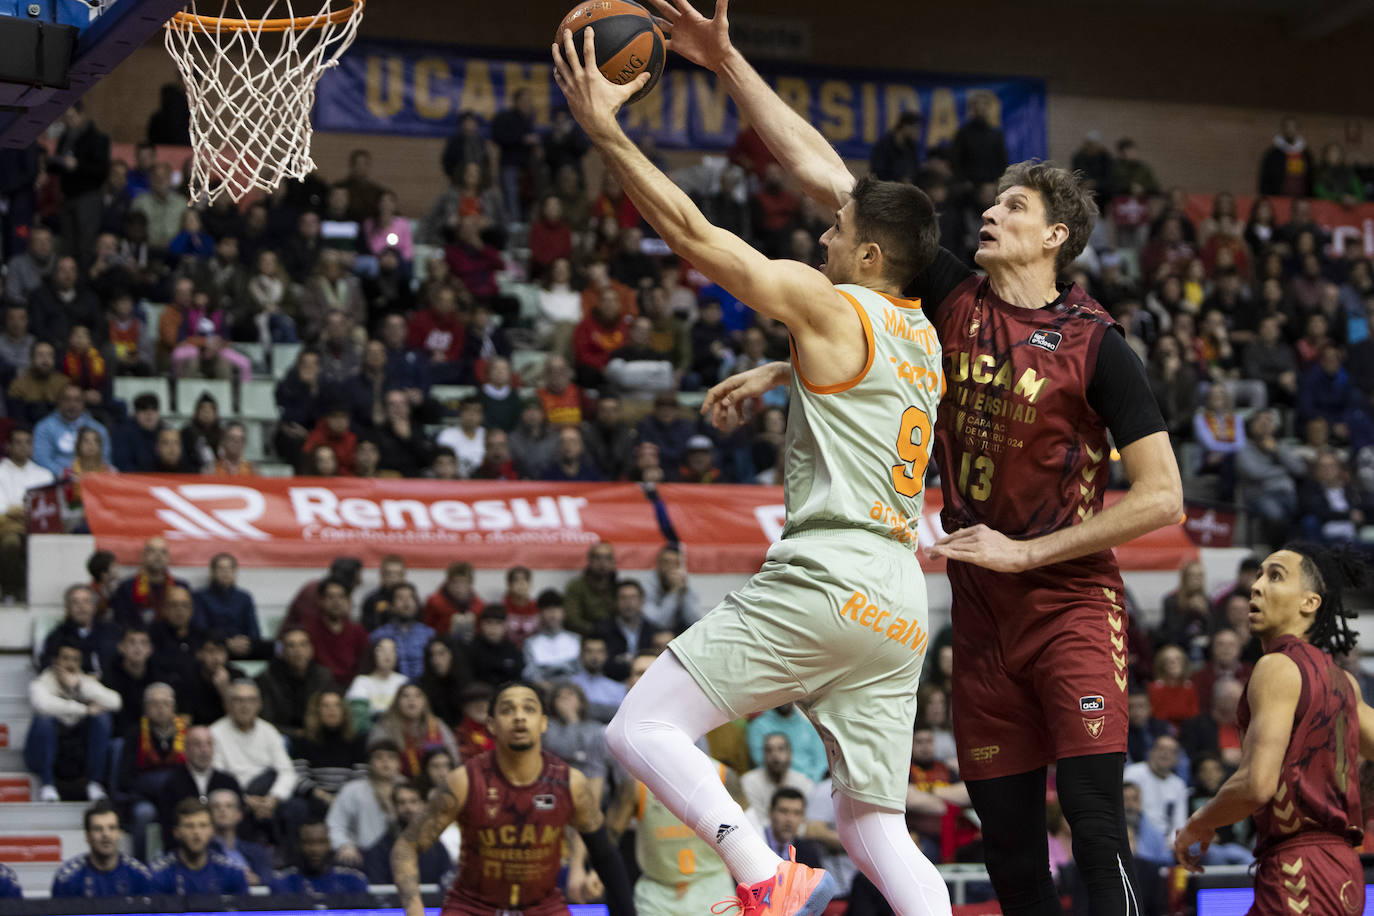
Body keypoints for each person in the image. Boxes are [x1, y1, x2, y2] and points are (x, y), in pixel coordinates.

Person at [678, 6, 1182, 910]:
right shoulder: (952, 294)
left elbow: (1163, 498)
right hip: (979, 612)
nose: (989, 212)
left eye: (1012, 207)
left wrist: (1028, 552)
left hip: (1069, 601)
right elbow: (833, 182)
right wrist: (727, 63)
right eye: (991, 203)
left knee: (1095, 820)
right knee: (1012, 847)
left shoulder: (1100, 347)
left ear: (1056, 235)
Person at [555, 24, 949, 916]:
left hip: (829, 572)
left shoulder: (832, 300)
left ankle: (760, 873)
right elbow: (826, 172)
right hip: (900, 593)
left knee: (641, 725)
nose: (822, 233)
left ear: (870, 258)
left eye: (837, 230)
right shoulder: (923, 331)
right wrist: (786, 370)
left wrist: (605, 130)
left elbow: (697, 237)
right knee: (871, 826)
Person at [1176, 544, 1371, 916]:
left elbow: (1256, 784)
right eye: (1260, 574)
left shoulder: (1277, 667)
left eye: (1276, 576)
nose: (1256, 585)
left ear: (1309, 603)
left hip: (1300, 870)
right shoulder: (1344, 682)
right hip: (1343, 870)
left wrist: (1199, 823)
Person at [390, 681, 636, 916]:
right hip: (472, 907)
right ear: (491, 724)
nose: (519, 716)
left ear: (543, 723)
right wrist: (415, 911)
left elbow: (605, 855)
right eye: (507, 710)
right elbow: (406, 846)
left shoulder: (570, 783)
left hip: (542, 908)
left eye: (529, 708)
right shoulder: (463, 781)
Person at [607, 752, 740, 916]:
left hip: (712, 886)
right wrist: (589, 871)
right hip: (657, 891)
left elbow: (750, 827)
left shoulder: (722, 775)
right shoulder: (637, 782)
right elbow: (609, 834)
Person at [27, 637, 120, 802]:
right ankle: (47, 784)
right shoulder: (41, 683)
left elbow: (115, 702)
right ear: (55, 661)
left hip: (77, 754)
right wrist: (84, 710)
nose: (70, 664)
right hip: (43, 754)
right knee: (44, 721)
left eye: (75, 659)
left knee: (102, 718)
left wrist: (79, 686)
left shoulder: (83, 682)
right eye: (65, 658)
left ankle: (95, 783)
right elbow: (43, 705)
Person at [51, 799, 153, 898]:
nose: (106, 834)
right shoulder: (67, 879)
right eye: (98, 829)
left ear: (119, 834)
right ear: (87, 836)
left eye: (112, 828)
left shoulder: (139, 876)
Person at [156, 725, 242, 841]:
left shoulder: (228, 782)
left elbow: (241, 823)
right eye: (197, 744)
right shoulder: (172, 783)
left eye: (208, 744)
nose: (204, 750)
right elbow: (168, 826)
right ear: (185, 749)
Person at [326, 740, 403, 868]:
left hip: (402, 854)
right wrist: (344, 845)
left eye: (391, 757)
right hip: (364, 854)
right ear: (369, 763)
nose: (385, 762)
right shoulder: (353, 790)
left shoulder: (409, 789)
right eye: (379, 757)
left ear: (399, 763)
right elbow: (335, 824)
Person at [150, 798, 250, 895]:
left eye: (203, 825)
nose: (196, 832)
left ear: (212, 831)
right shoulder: (159, 874)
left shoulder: (232, 873)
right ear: (177, 832)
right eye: (189, 826)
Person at [0, 426, 53, 602]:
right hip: (6, 529)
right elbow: (3, 509)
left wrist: (17, 511)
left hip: (37, 528)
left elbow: (46, 510)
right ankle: (11, 591)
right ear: (8, 446)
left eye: (27, 442)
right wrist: (23, 512)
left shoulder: (44, 474)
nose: (23, 447)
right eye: (18, 442)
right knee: (11, 543)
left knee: (48, 542)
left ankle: (43, 594)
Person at [257, 628, 338, 741]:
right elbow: (265, 721)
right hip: (280, 736)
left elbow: (332, 712)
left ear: (311, 649)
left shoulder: (323, 676)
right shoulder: (267, 678)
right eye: (291, 645)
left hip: (317, 736)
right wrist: (295, 733)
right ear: (283, 651)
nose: (298, 650)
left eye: (303, 645)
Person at [369, 683, 460, 780]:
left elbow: (454, 757)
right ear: (397, 702)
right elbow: (376, 762)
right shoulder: (385, 726)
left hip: (435, 781)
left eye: (418, 696)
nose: (411, 700)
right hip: (396, 783)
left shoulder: (437, 725)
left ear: (425, 702)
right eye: (405, 696)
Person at [364, 782, 450, 884]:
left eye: (413, 801)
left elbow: (447, 881)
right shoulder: (379, 850)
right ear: (394, 807)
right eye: (402, 802)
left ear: (423, 805)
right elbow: (378, 892)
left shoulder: (437, 847)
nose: (408, 808)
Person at [192, 554, 264, 660]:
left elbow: (254, 631)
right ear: (212, 572)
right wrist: (226, 642)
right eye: (221, 568)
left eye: (230, 568)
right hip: (213, 648)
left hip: (243, 648)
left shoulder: (245, 597)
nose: (226, 572)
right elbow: (201, 629)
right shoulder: (200, 597)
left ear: (235, 572)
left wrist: (245, 642)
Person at [301, 578, 370, 686]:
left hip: (352, 689)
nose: (336, 602)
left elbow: (365, 665)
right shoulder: (309, 630)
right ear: (321, 601)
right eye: (330, 597)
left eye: (341, 597)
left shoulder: (358, 632)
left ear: (349, 601)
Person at [271, 820, 370, 894]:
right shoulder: (282, 883)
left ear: (330, 844)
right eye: (308, 842)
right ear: (298, 845)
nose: (315, 849)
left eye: (321, 842)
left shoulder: (353, 881)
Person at [1122, 734, 1187, 845]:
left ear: (1177, 759)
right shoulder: (1133, 773)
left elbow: (1179, 823)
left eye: (1171, 751)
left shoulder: (1178, 785)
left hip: (1164, 840)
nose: (1165, 754)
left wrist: (1172, 842)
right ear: (1151, 752)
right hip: (1135, 834)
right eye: (1161, 749)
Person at [741, 733, 815, 827]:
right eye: (769, 750)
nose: (775, 755)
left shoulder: (804, 782)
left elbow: (809, 821)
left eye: (781, 749)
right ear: (763, 755)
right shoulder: (749, 781)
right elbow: (755, 822)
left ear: (790, 753)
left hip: (798, 840)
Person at [746, 704, 828, 785]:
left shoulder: (808, 726)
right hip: (775, 785)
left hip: (812, 783)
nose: (784, 701)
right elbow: (761, 761)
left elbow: (822, 762)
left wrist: (809, 783)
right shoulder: (759, 726)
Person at [208, 789, 274, 886]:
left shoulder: (256, 851)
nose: (222, 810)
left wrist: (257, 881)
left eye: (229, 806)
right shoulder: (202, 852)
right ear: (208, 814)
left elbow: (271, 883)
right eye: (216, 806)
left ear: (239, 815)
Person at [371, 582, 436, 679]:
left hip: (422, 688)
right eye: (400, 598)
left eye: (411, 598)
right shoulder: (379, 635)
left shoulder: (429, 634)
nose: (406, 603)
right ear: (391, 605)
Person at [524, 589, 582, 687]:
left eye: (557, 609)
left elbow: (581, 671)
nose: (553, 614)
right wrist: (546, 687)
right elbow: (531, 672)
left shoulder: (576, 639)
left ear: (563, 612)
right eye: (548, 609)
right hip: (543, 689)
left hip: (573, 689)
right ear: (540, 614)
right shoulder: (530, 643)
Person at [347, 637, 409, 719]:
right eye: (381, 650)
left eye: (392, 650)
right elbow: (357, 714)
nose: (387, 654)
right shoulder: (361, 681)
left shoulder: (402, 681)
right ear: (372, 653)